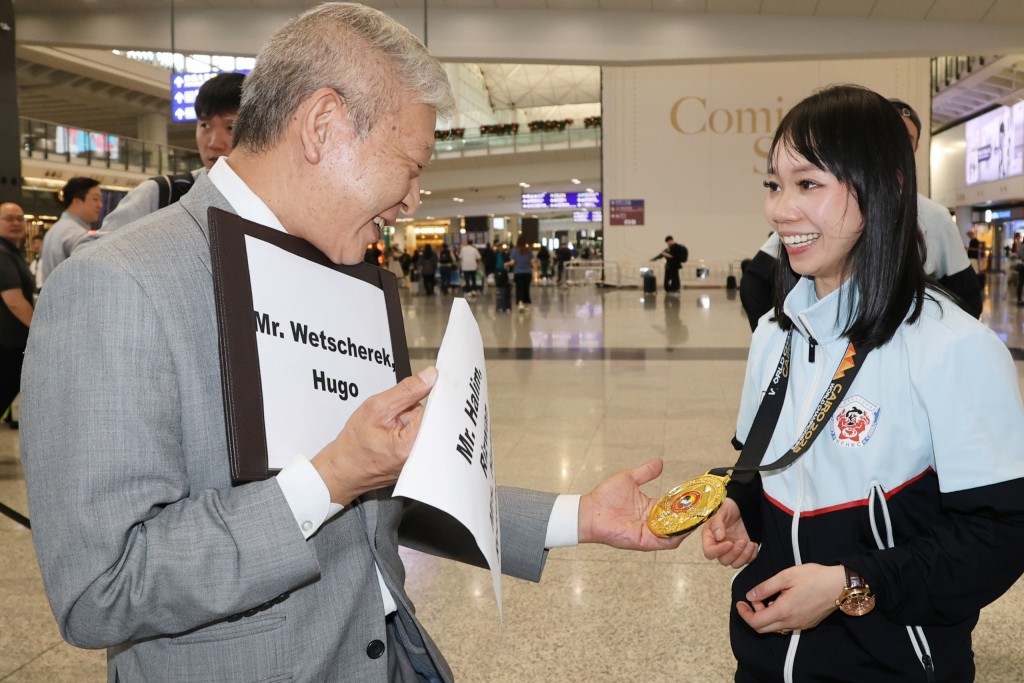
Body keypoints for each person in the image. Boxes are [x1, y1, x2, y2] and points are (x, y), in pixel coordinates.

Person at [20, 5, 684, 682]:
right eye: (411, 165)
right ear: (323, 126)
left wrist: (578, 516)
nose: (413, 201)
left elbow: (381, 496)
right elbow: (101, 587)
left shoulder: (345, 279)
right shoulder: (118, 285)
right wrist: (329, 474)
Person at [701, 84, 1024, 683]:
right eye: (774, 184)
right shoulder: (775, 335)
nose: (779, 210)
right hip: (765, 658)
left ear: (887, 189)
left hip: (895, 665)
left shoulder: (953, 348)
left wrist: (850, 584)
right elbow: (762, 466)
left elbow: (1001, 534)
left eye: (809, 184)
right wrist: (739, 504)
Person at [84, 72, 245, 242]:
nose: (214, 143)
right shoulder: (160, 194)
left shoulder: (271, 199)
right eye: (204, 125)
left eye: (230, 127)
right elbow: (87, 253)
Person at [889, 98, 983, 318]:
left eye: (906, 140)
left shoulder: (934, 216)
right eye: (890, 136)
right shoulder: (841, 206)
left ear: (916, 148)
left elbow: (968, 300)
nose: (897, 148)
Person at [0, 201, 33, 429]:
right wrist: (42, 330)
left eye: (19, 218)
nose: (15, 223)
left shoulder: (13, 252)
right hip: (7, 346)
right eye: (8, 219)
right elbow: (14, 301)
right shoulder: (2, 254)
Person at [39, 176, 102, 284]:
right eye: (95, 199)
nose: (100, 205)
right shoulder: (75, 233)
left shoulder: (55, 229)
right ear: (77, 201)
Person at [508, 235, 535, 310]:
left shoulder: (514, 250)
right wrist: (534, 270)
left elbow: (512, 262)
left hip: (518, 273)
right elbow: (532, 262)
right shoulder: (528, 251)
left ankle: (520, 303)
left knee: (519, 288)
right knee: (526, 288)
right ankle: (526, 303)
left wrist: (506, 264)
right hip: (527, 273)